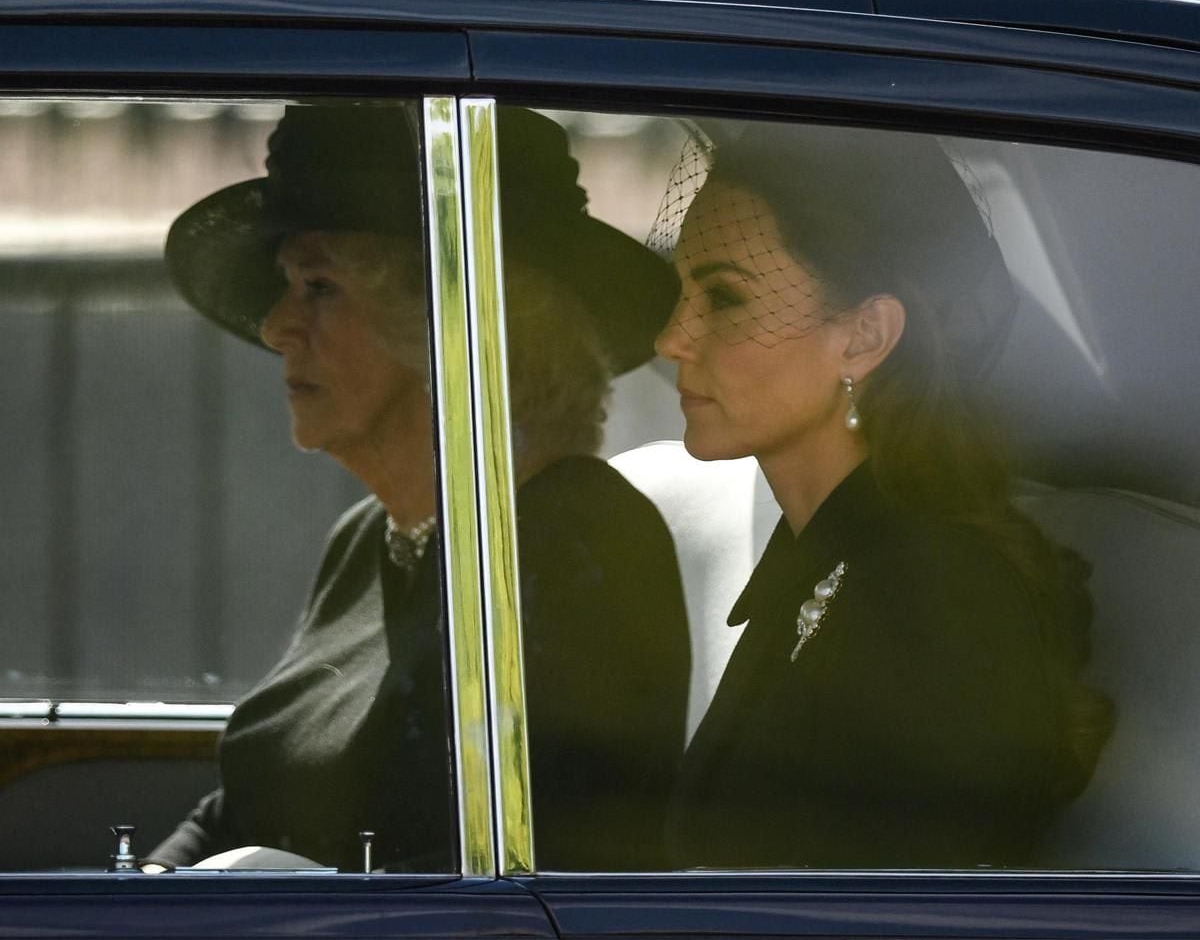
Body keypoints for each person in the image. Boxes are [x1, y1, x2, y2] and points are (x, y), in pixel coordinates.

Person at [151, 102, 690, 872]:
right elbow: (245, 804)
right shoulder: (368, 538)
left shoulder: (583, 544)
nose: (276, 327)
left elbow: (545, 868)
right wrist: (151, 886)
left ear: (455, 331)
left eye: (320, 287)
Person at [654, 123, 1112, 869]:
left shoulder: (940, 604)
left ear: (865, 337)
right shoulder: (831, 556)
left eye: (727, 298)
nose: (671, 337)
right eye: (680, 293)